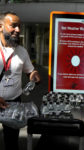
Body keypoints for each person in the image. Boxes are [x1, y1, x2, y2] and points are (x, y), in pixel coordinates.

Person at [0, 11, 40, 150]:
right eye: (13, 26)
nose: (18, 30)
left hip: (13, 103)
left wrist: (33, 75)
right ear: (1, 26)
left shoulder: (22, 51)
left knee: (11, 142)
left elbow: (30, 70)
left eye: (19, 26)